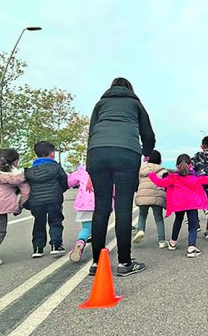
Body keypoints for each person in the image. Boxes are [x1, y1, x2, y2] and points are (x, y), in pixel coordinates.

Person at [86, 77, 155, 277]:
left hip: (97, 152)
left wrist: (92, 155)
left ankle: (97, 263)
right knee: (123, 208)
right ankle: (124, 262)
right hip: (126, 152)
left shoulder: (100, 104)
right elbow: (148, 135)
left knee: (101, 206)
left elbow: (91, 133)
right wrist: (146, 152)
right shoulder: (135, 104)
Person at [148, 154, 208, 258]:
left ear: (176, 166)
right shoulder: (195, 177)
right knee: (193, 225)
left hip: (179, 204)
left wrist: (151, 175)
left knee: (178, 221)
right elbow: (205, 179)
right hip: (192, 204)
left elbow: (160, 183)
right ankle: (191, 248)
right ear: (190, 165)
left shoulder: (172, 178)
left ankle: (172, 243)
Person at [25, 141, 69, 258]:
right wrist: (59, 191)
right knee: (55, 221)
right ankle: (56, 245)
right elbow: (65, 182)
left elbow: (26, 187)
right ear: (52, 153)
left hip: (36, 201)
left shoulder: (30, 171)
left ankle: (38, 248)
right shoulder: (56, 167)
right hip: (54, 198)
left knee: (39, 222)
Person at [133, 150, 168, 249]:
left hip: (143, 195)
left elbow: (136, 183)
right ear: (160, 161)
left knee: (142, 215)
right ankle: (161, 241)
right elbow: (167, 184)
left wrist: (139, 191)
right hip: (157, 196)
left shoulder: (141, 169)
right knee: (159, 218)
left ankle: (140, 230)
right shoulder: (163, 171)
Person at [66, 163, 100, 262]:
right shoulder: (104, 168)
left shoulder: (82, 169)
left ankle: (81, 240)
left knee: (86, 227)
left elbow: (70, 182)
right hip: (99, 202)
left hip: (84, 202)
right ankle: (99, 248)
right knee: (99, 226)